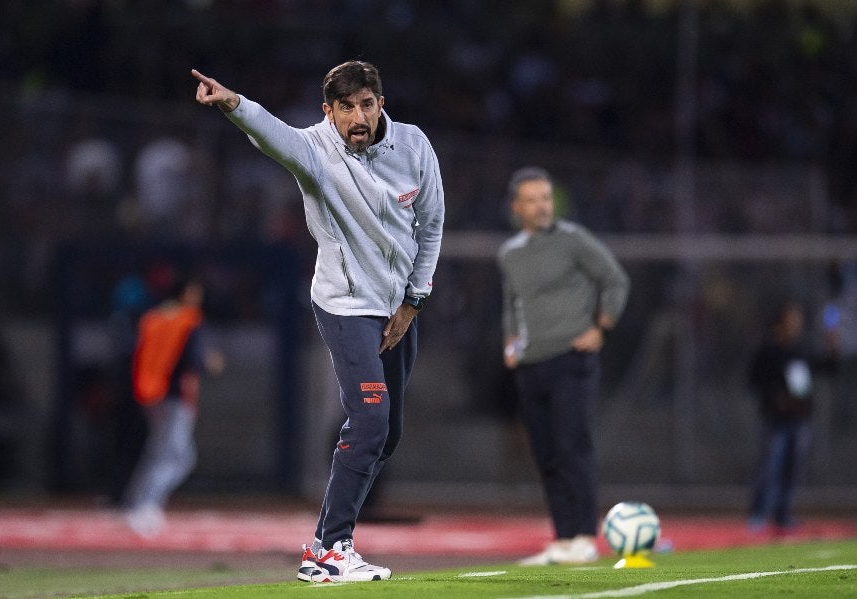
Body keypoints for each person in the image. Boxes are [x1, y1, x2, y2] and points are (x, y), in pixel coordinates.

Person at [191, 61, 445, 582]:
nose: (358, 116)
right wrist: (232, 102)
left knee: (387, 433)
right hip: (345, 304)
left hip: (399, 306)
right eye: (345, 107)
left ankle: (327, 546)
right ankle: (329, 550)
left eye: (366, 104)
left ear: (380, 102)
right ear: (327, 111)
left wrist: (413, 301)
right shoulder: (314, 149)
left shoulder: (415, 146)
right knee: (371, 421)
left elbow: (433, 224)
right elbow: (271, 134)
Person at [497, 167, 629, 565]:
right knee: (546, 454)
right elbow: (512, 306)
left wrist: (601, 327)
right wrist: (510, 343)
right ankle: (563, 537)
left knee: (573, 446)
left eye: (546, 198)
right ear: (516, 207)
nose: (542, 206)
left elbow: (615, 280)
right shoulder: (510, 254)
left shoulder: (573, 240)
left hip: (572, 360)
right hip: (531, 365)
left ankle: (585, 536)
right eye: (533, 199)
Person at [122, 275, 224, 537]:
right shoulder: (188, 320)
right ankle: (145, 505)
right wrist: (209, 361)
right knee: (175, 456)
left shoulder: (155, 317)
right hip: (175, 395)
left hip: (151, 391)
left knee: (164, 453)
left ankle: (136, 501)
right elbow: (194, 358)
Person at [746, 301, 837, 533]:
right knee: (770, 467)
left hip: (799, 419)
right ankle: (758, 514)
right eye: (791, 320)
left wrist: (833, 347)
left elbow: (826, 367)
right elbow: (753, 381)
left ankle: (782, 515)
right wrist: (774, 397)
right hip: (775, 420)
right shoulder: (768, 351)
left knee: (791, 470)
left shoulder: (800, 349)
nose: (795, 325)